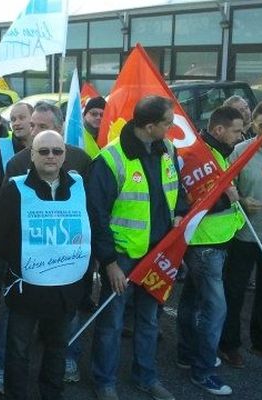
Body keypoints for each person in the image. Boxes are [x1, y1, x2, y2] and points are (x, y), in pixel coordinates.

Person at [88, 96, 187, 400]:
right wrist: (109, 263)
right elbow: (97, 215)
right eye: (168, 123)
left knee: (150, 320)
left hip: (159, 253)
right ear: (149, 126)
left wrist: (180, 211)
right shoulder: (110, 159)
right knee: (112, 323)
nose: (172, 128)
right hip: (123, 258)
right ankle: (104, 382)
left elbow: (178, 189)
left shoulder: (167, 149)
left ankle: (146, 376)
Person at [0, 130, 91, 400]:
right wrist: (21, 261)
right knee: (18, 350)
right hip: (27, 289)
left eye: (56, 151)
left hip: (65, 289)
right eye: (43, 151)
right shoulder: (16, 187)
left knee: (57, 348)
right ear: (32, 155)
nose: (50, 156)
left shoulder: (79, 186)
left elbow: (92, 228)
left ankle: (51, 394)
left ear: (64, 155)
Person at [176, 106, 245, 396]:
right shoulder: (198, 155)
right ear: (219, 130)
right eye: (237, 130)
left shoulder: (217, 151)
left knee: (193, 302)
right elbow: (196, 201)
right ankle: (203, 371)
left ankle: (186, 353)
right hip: (205, 245)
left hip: (214, 241)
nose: (242, 135)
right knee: (214, 310)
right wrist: (229, 201)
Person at [219, 100, 262, 365]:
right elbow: (223, 186)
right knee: (235, 289)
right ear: (253, 125)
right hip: (246, 233)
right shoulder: (241, 152)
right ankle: (229, 344)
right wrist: (240, 199)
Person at [3, 101, 92, 182]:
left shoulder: (80, 159)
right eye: (32, 126)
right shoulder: (17, 164)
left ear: (59, 129)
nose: (34, 132)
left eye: (42, 126)